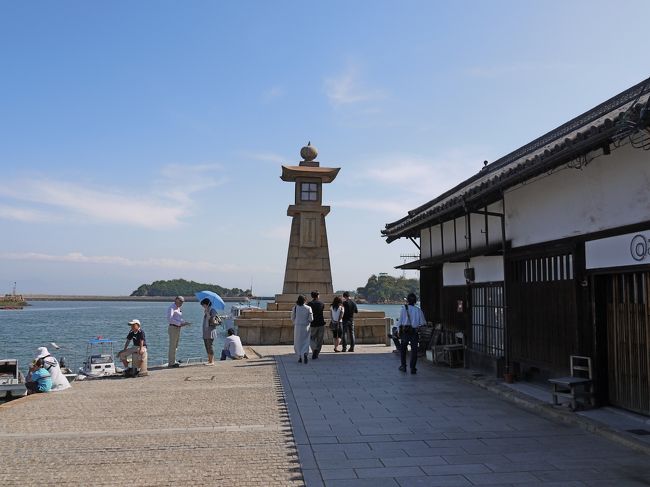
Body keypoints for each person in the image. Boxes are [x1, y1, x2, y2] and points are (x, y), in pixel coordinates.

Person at [399, 293, 427, 374]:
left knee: (403, 350)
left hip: (405, 332)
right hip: (414, 332)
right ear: (415, 301)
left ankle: (403, 366)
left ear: (407, 300)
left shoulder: (403, 309)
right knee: (414, 351)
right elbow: (422, 322)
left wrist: (398, 331)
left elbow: (400, 322)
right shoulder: (418, 310)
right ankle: (412, 368)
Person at [167, 296, 189, 368]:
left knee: (175, 345)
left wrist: (184, 322)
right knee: (172, 345)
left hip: (177, 328)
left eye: (183, 302)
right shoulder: (172, 307)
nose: (182, 303)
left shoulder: (178, 308)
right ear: (176, 300)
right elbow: (170, 319)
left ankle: (173, 360)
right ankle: (171, 363)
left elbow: (178, 318)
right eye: (181, 301)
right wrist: (180, 323)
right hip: (173, 327)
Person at [292, 294, 313, 364]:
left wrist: (296, 322)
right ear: (305, 300)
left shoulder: (295, 308)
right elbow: (311, 318)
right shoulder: (308, 308)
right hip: (306, 326)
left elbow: (292, 318)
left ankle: (299, 356)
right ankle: (305, 353)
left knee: (297, 342)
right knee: (306, 341)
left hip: (297, 327)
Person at [306, 290, 325, 360]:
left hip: (313, 324)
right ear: (318, 296)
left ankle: (314, 349)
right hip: (321, 323)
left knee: (311, 338)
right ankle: (317, 352)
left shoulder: (309, 304)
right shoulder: (321, 303)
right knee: (320, 339)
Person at [201, 298, 220, 365]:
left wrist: (208, 314)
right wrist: (206, 312)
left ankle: (212, 361)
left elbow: (213, 319)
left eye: (203, 305)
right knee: (206, 346)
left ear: (206, 304)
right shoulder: (207, 310)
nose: (202, 306)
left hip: (210, 331)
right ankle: (209, 360)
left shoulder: (212, 310)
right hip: (206, 331)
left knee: (210, 345)